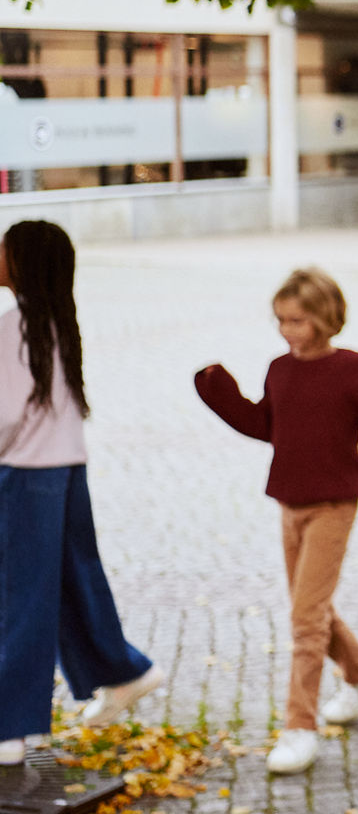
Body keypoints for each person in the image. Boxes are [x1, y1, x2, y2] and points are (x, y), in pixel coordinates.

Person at [193, 267, 358, 776]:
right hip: (289, 503)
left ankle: (299, 727)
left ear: (325, 318)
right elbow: (263, 424)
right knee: (309, 606)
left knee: (306, 619)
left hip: (334, 504)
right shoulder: (279, 370)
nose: (288, 330)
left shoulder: (351, 369)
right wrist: (217, 391)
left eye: (298, 321)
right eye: (281, 320)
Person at [0, 220, 165, 765]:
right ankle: (124, 673)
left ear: (22, 264)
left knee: (15, 596)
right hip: (66, 469)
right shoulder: (54, 321)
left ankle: (9, 729)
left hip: (25, 475)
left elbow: (3, 416)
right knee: (74, 579)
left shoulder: (13, 325)